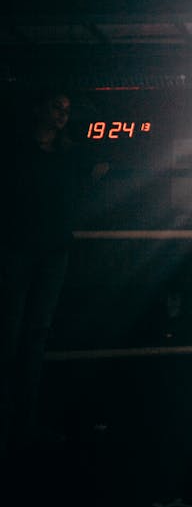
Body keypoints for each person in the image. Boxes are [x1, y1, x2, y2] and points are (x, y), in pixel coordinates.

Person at [0, 87, 105, 461]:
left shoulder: (61, 154)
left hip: (46, 251)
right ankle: (16, 428)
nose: (63, 113)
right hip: (21, 250)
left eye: (66, 108)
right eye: (57, 106)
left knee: (31, 340)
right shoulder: (21, 152)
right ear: (38, 108)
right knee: (15, 340)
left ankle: (20, 427)